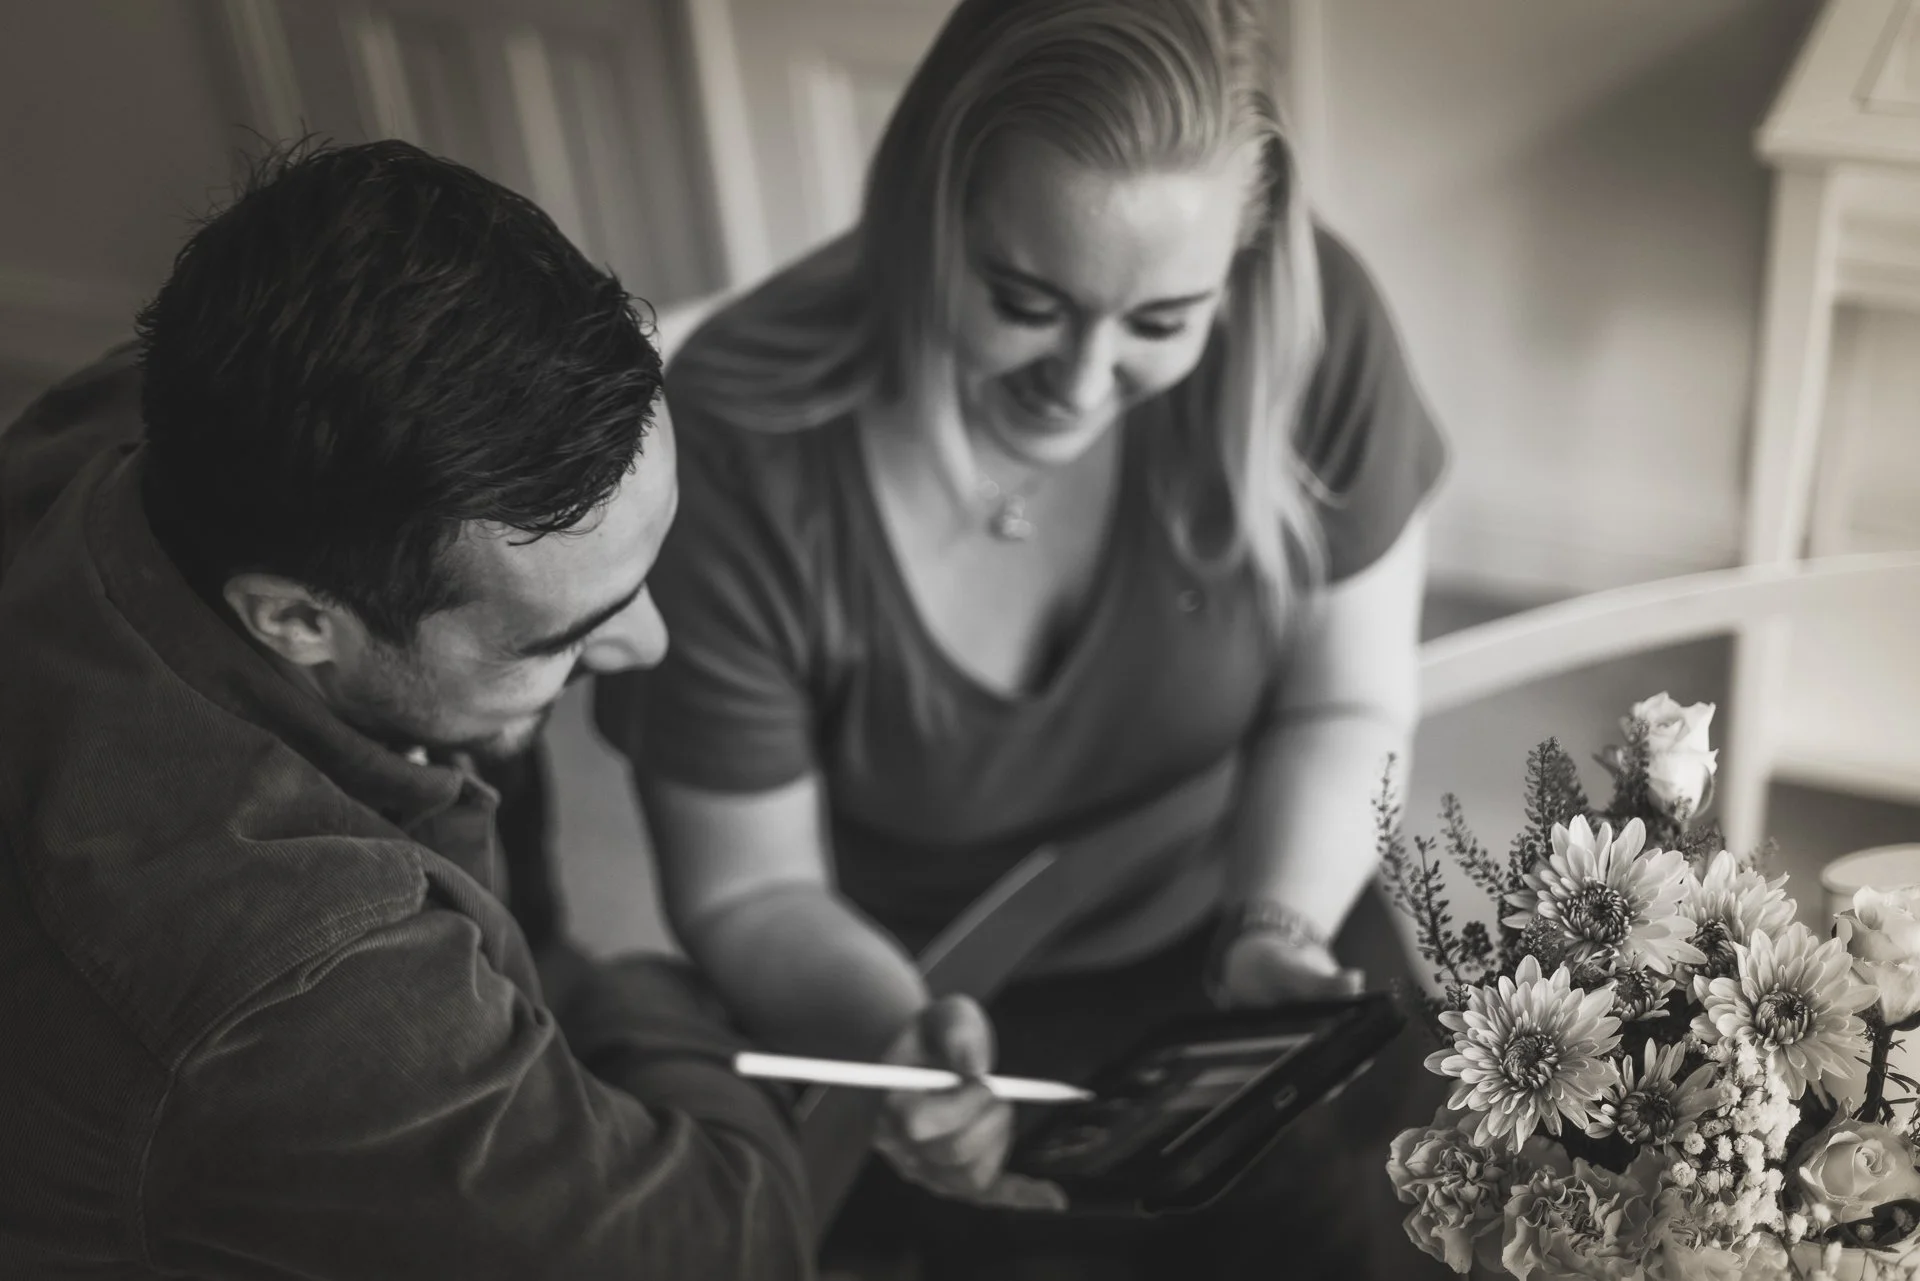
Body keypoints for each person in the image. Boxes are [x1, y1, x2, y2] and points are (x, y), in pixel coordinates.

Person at [593, 0, 1450, 1276]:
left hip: (1264, 934)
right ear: (926, 210)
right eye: (1024, 300)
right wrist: (899, 1039)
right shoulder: (737, 448)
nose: (1083, 383)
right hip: (933, 1005)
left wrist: (1277, 926)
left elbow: (1344, 704)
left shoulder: (1311, 331)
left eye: (1162, 322)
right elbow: (747, 889)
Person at [0, 141, 812, 1280]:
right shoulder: (304, 978)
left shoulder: (182, 413)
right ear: (298, 620)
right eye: (562, 634)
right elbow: (730, 1243)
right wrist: (657, 994)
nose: (652, 644)